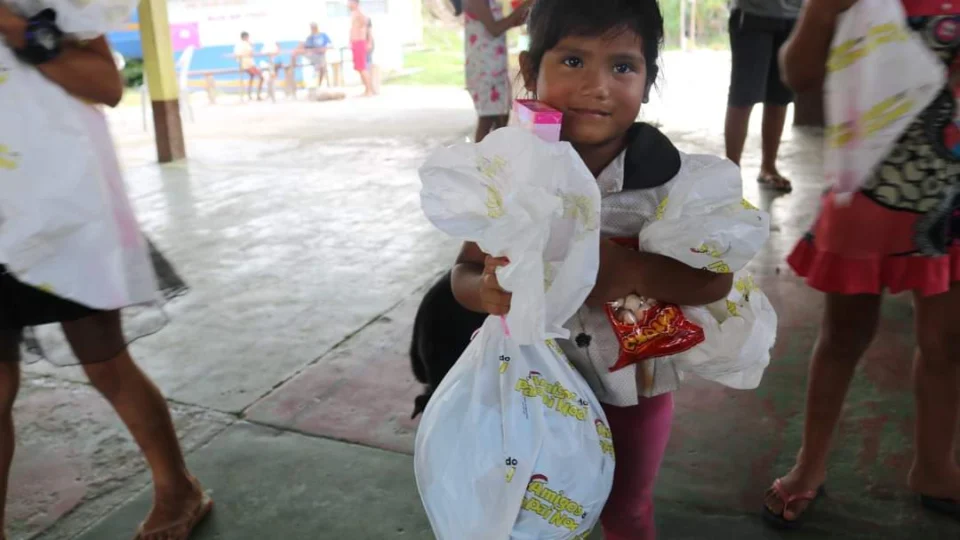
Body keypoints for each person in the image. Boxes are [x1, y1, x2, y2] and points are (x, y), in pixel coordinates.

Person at [450, 0, 737, 537]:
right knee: (529, 511)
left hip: (632, 390)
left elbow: (714, 279)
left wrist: (630, 270)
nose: (598, 85)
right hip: (524, 385)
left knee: (626, 509)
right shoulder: (511, 172)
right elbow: (464, 272)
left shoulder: (670, 183)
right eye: (574, 61)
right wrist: (485, 291)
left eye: (623, 66)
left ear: (649, 81)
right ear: (530, 71)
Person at [0, 6, 211, 540]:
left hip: (57, 210)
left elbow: (107, 85)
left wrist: (15, 27)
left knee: (105, 361)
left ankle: (178, 486)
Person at [762, 0, 960, 529]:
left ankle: (936, 467)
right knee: (844, 335)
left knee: (949, 343)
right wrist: (824, 11)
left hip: (950, 196)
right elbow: (797, 74)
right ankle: (810, 463)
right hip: (865, 192)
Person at [723, 0, 800, 192]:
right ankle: (731, 171)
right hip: (753, 13)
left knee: (779, 96)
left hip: (794, 14)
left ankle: (769, 167)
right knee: (743, 96)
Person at [463, 0, 528, 142]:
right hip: (483, 68)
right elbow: (495, 29)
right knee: (487, 117)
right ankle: (480, 160)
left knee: (502, 116)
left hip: (495, 67)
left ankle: (495, 158)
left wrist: (521, 16)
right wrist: (524, 6)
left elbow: (503, 24)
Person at [348, 0, 375, 96]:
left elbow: (366, 26)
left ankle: (369, 90)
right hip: (355, 43)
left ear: (355, 3)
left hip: (360, 42)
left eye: (349, 2)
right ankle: (366, 89)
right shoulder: (354, 14)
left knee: (362, 67)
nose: (348, 4)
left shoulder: (360, 14)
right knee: (359, 68)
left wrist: (369, 42)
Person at [297, 22, 332, 88]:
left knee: (322, 66)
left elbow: (330, 44)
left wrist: (324, 48)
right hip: (313, 56)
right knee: (320, 65)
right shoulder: (310, 37)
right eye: (312, 27)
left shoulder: (323, 35)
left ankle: (320, 84)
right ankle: (317, 69)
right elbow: (306, 47)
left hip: (321, 55)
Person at [234, 31, 264, 101]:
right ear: (245, 37)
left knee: (252, 76)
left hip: (243, 64)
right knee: (261, 77)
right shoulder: (246, 44)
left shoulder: (237, 45)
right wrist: (251, 45)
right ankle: (257, 95)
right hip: (248, 65)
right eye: (248, 37)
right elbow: (251, 52)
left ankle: (249, 94)